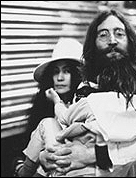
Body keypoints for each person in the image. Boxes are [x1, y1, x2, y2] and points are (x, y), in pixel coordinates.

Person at [38, 9, 136, 177]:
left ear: (130, 41)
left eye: (119, 34)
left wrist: (96, 154)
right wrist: (48, 156)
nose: (112, 41)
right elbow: (71, 131)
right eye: (103, 35)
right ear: (93, 44)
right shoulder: (85, 88)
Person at [13, 38, 84, 177]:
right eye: (55, 72)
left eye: (67, 71)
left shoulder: (83, 103)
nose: (60, 78)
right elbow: (25, 145)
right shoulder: (43, 105)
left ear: (77, 74)